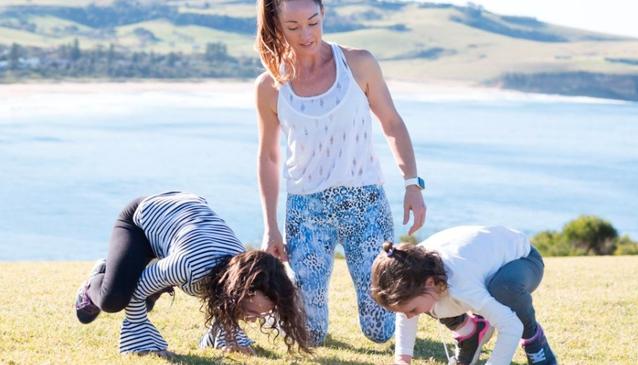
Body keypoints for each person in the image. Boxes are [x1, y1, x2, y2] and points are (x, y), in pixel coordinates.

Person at [254, 0, 427, 346]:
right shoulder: (270, 86)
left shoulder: (359, 64)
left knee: (379, 330)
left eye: (313, 22)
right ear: (275, 22)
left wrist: (412, 184)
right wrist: (271, 227)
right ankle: (282, 307)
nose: (306, 35)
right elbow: (269, 158)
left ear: (324, 14)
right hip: (306, 210)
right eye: (293, 26)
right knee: (311, 335)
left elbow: (391, 122)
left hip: (365, 203)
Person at [74, 191, 311, 356]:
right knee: (115, 300)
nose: (251, 319)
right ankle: (97, 277)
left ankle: (142, 267)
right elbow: (139, 290)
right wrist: (144, 344)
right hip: (142, 220)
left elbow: (224, 300)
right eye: (250, 312)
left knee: (145, 303)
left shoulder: (240, 268)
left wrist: (230, 337)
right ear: (240, 291)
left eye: (260, 315)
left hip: (181, 226)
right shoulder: (188, 265)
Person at [371, 225, 558, 365]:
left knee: (503, 289)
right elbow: (405, 312)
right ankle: (471, 332)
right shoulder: (414, 270)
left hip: (523, 260)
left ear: (429, 283)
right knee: (427, 303)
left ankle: (534, 339)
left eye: (411, 310)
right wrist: (403, 359)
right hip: (472, 271)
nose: (410, 315)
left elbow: (511, 326)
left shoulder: (460, 283)